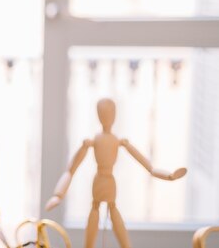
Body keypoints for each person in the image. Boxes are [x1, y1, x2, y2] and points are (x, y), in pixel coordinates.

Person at [44, 98, 186, 248]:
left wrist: (169, 176)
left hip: (109, 181)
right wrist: (58, 195)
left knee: (112, 210)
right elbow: (71, 170)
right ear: (98, 115)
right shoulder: (94, 141)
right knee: (95, 210)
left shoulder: (118, 141)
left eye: (109, 113)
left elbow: (149, 167)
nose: (106, 116)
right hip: (99, 181)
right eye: (103, 113)